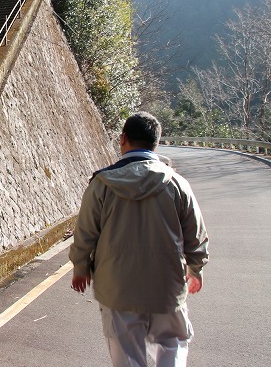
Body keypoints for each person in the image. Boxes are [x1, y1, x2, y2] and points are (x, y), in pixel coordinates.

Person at [69, 111, 209, 367]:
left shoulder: (102, 184)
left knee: (127, 355)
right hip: (167, 285)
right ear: (155, 143)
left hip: (118, 287)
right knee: (172, 344)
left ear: (123, 139)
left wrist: (81, 268)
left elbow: (86, 232)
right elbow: (196, 235)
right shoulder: (177, 184)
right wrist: (195, 269)